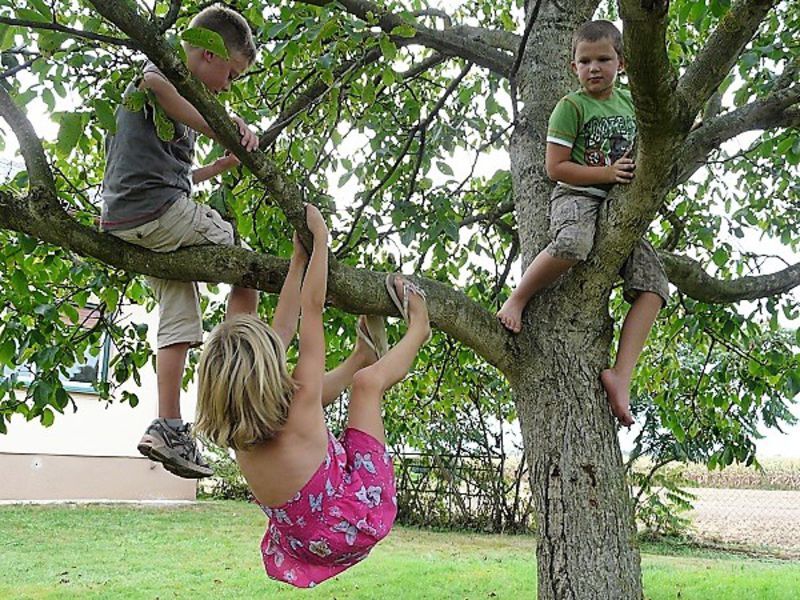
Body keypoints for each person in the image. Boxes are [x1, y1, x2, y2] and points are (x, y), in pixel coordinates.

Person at [195, 204, 430, 588]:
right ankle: (419, 329)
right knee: (367, 385)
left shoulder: (241, 428)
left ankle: (362, 354)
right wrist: (320, 241)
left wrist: (296, 260)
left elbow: (283, 327)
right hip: (358, 517)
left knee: (309, 400)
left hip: (307, 544)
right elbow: (310, 308)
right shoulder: (300, 401)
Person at [99, 5, 260, 477]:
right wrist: (227, 125)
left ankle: (167, 423)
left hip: (135, 221)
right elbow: (159, 89)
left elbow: (177, 172)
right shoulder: (157, 74)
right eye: (230, 73)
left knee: (178, 309)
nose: (227, 87)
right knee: (241, 259)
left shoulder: (175, 100)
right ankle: (239, 385)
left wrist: (218, 166)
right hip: (156, 211)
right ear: (208, 54)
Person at [496, 20, 669, 426]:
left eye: (603, 59)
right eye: (585, 60)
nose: (594, 67)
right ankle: (517, 298)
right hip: (577, 196)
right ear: (573, 66)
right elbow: (556, 168)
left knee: (655, 288)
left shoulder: (631, 105)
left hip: (617, 207)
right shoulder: (571, 107)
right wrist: (607, 174)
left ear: (621, 63)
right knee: (574, 244)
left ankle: (621, 375)